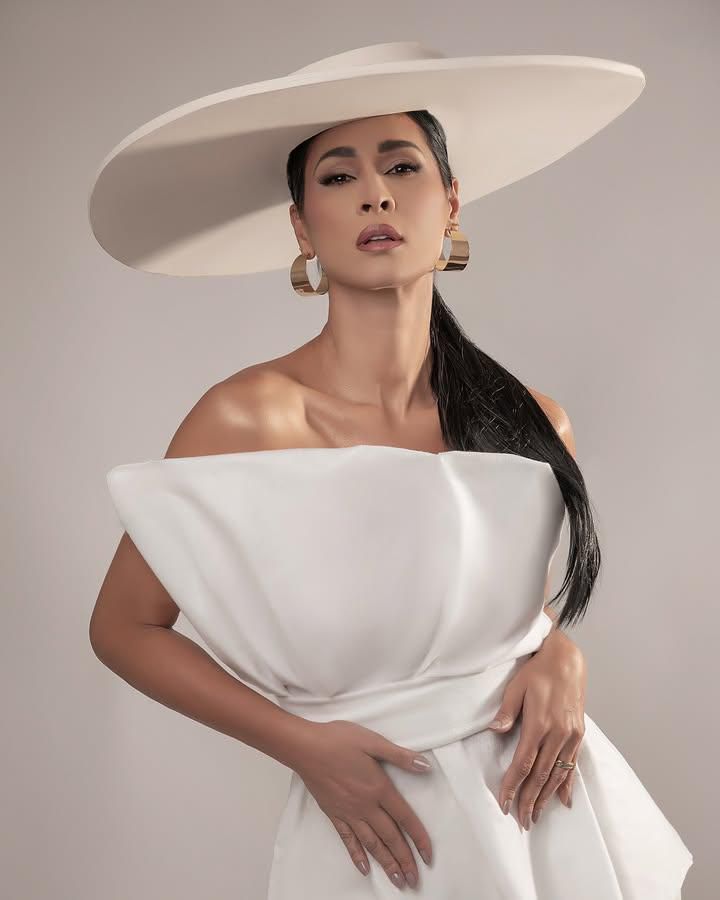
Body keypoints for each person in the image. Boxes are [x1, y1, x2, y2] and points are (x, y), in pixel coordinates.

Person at [87, 42, 692, 898]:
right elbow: (122, 628)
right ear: (302, 227)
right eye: (338, 177)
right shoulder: (250, 419)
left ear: (451, 203)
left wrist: (560, 653)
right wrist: (301, 746)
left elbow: (482, 617)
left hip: (546, 814)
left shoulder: (529, 420)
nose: (375, 193)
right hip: (378, 823)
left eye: (402, 166)